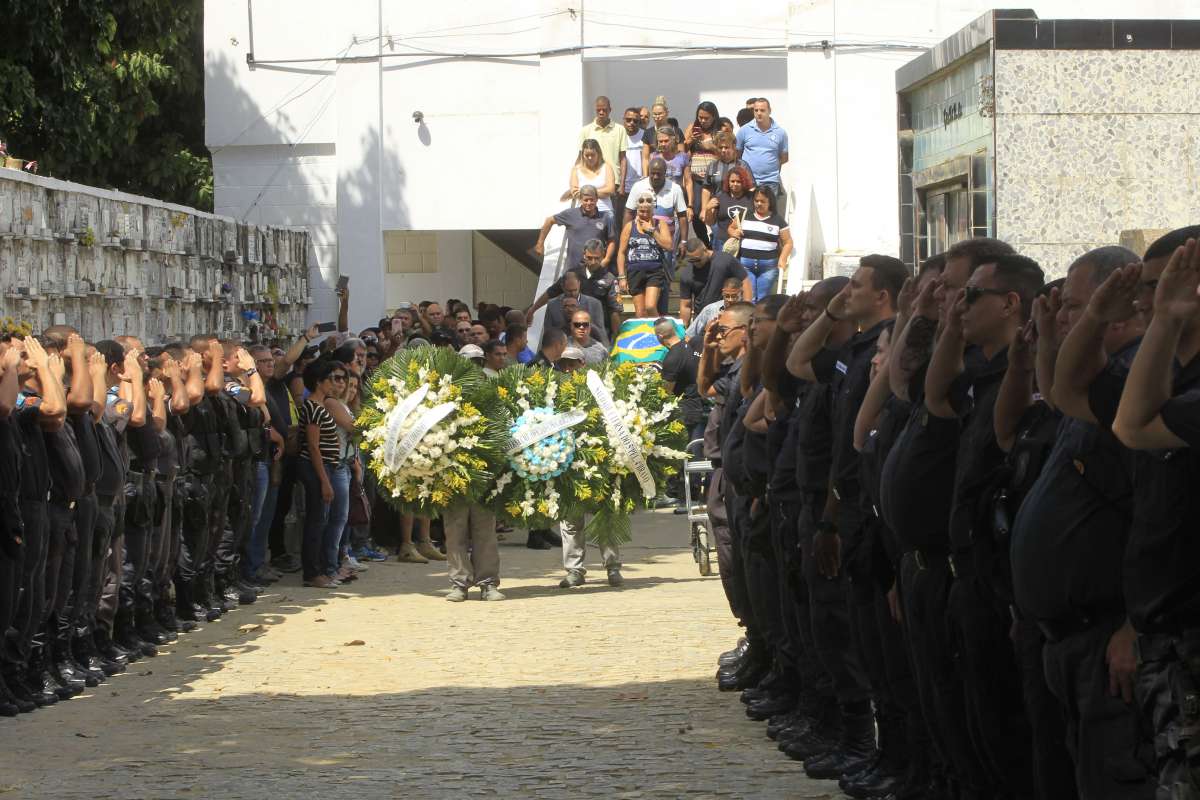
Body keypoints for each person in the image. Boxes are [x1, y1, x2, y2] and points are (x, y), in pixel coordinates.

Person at [297, 360, 352, 589]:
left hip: (326, 466)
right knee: (317, 521)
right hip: (315, 467)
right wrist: (324, 480)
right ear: (319, 383)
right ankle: (312, 572)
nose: (335, 384)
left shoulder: (320, 406)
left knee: (323, 519)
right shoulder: (312, 407)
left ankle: (321, 568)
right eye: (331, 379)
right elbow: (313, 446)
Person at [528, 239, 622, 341]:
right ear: (584, 254)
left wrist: (616, 338)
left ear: (603, 255)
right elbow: (550, 292)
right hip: (570, 333)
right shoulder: (572, 274)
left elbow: (614, 311)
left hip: (596, 334)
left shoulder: (610, 279)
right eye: (590, 258)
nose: (593, 262)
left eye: (597, 258)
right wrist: (532, 310)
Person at [728, 186, 792, 300]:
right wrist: (734, 232)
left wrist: (782, 259)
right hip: (746, 265)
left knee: (763, 298)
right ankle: (750, 318)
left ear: (770, 202)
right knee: (749, 298)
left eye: (763, 201)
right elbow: (730, 228)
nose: (759, 204)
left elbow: (788, 242)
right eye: (756, 200)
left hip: (768, 267)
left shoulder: (778, 220)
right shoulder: (744, 215)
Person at [618, 188, 674, 318]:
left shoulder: (660, 224)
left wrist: (652, 231)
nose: (644, 214)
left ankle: (660, 331)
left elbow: (669, 245)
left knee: (650, 306)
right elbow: (621, 252)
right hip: (634, 271)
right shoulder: (629, 226)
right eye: (641, 211)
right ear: (637, 210)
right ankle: (645, 336)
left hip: (654, 270)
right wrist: (622, 277)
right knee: (640, 312)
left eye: (647, 211)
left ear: (653, 210)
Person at [676, 236, 751, 328]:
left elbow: (745, 281)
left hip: (727, 315)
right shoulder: (686, 273)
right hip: (702, 318)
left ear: (705, 250)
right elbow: (685, 305)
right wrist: (683, 329)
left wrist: (747, 309)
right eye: (691, 260)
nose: (695, 263)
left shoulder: (725, 260)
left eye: (698, 259)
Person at [735, 97, 789, 215]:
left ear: (769, 111)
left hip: (770, 182)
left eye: (762, 110)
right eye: (756, 110)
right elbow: (737, 155)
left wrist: (769, 165)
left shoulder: (780, 133)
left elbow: (784, 157)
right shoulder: (744, 131)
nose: (759, 113)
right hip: (749, 181)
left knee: (769, 214)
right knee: (748, 213)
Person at [685, 101, 721, 243]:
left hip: (715, 179)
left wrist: (708, 144)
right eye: (700, 117)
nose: (703, 121)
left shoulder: (719, 131)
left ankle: (716, 242)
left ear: (714, 117)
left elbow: (724, 151)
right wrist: (691, 140)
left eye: (706, 118)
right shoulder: (692, 127)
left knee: (716, 211)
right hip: (697, 179)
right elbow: (682, 149)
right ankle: (705, 244)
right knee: (697, 214)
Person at [577, 95, 628, 192]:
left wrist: (622, 184)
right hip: (590, 180)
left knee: (610, 207)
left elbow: (623, 159)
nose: (601, 112)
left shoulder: (620, 130)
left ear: (610, 110)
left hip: (613, 181)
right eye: (598, 110)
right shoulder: (585, 130)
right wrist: (576, 181)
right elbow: (580, 157)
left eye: (604, 110)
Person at [702, 163, 754, 255]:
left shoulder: (752, 198)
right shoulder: (720, 198)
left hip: (746, 242)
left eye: (739, 181)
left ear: (744, 182)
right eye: (732, 181)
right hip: (723, 242)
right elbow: (710, 222)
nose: (735, 184)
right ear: (727, 182)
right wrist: (708, 209)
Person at [543, 271, 607, 344]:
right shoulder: (552, 305)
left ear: (579, 284)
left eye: (575, 290)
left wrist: (584, 322)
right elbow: (547, 334)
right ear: (562, 287)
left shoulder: (595, 304)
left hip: (588, 348)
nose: (573, 294)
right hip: (560, 348)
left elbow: (602, 334)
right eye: (569, 291)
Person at [568, 139, 617, 216]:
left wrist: (584, 193)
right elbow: (574, 192)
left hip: (604, 210)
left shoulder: (607, 167)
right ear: (582, 155)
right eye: (587, 155)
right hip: (582, 212)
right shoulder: (576, 170)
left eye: (593, 155)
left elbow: (610, 190)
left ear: (598, 154)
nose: (590, 158)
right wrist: (600, 193)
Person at [619, 106, 647, 210]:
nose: (631, 123)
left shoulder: (645, 135)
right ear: (623, 120)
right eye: (628, 120)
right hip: (622, 188)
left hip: (640, 187)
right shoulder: (619, 135)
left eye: (635, 121)